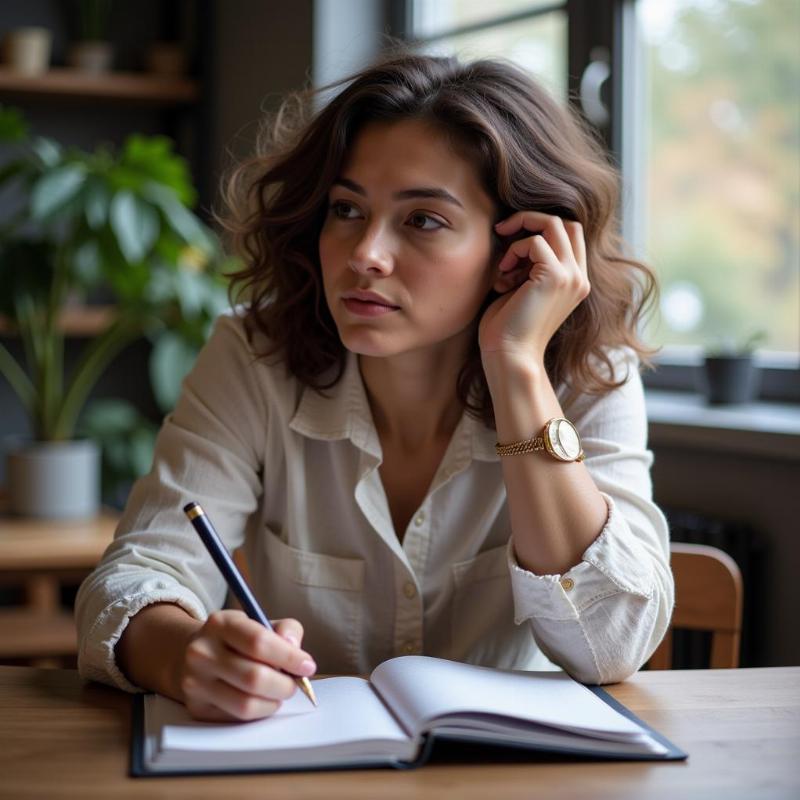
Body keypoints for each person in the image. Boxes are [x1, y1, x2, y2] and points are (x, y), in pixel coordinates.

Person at [75, 51, 673, 722]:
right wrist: (187, 655)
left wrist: (517, 367)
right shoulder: (254, 356)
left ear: (518, 249)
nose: (365, 255)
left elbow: (611, 645)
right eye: (347, 209)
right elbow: (132, 579)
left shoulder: (591, 375)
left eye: (423, 220)